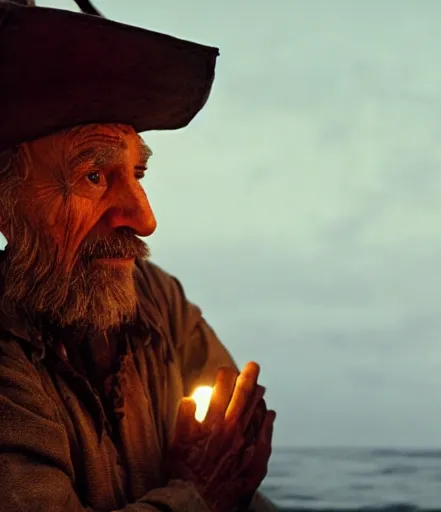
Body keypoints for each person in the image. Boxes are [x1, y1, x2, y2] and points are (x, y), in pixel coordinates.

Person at [0, 2, 278, 511]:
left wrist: (221, 482)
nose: (145, 218)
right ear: (7, 202)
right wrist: (198, 496)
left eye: (138, 175)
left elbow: (239, 468)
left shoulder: (157, 299)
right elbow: (219, 484)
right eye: (94, 176)